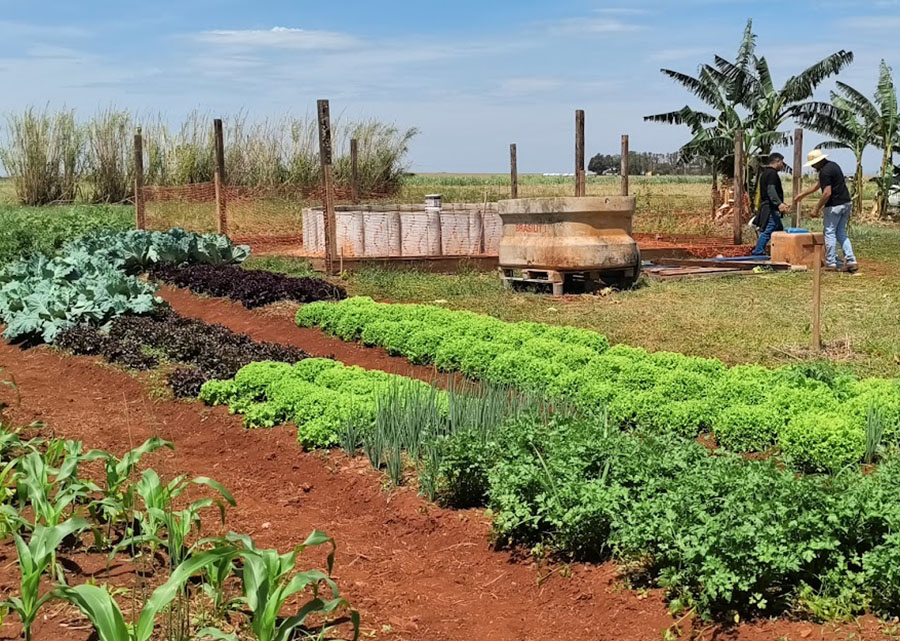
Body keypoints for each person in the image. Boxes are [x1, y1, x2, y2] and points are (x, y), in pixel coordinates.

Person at [794, 149, 857, 272]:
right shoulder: (833, 166)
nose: (812, 166)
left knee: (829, 233)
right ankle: (851, 260)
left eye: (813, 164)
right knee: (841, 233)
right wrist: (803, 194)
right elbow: (818, 185)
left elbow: (827, 192)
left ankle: (831, 263)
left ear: (818, 162)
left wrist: (816, 208)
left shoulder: (824, 172)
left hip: (834, 206)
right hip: (846, 203)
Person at [751, 152, 790, 256]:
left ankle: (781, 252)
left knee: (779, 230)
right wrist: (779, 204)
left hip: (769, 206)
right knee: (769, 230)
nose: (783, 165)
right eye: (782, 162)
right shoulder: (772, 174)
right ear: (777, 161)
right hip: (771, 208)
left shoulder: (765, 173)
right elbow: (771, 190)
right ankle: (758, 252)